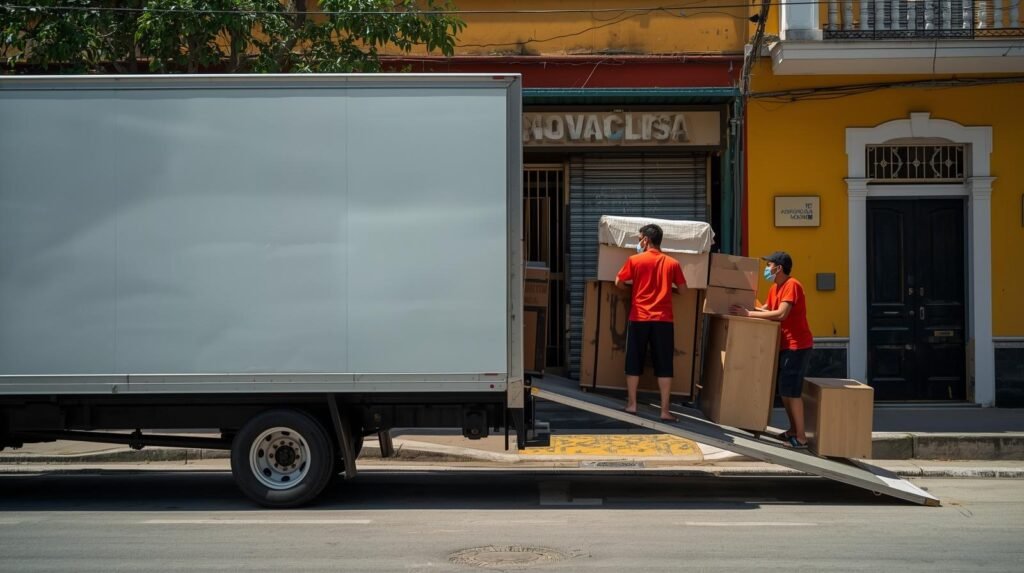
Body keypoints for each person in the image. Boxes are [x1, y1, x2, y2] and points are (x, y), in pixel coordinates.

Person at [729, 251, 814, 449]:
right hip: (784, 345)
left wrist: (749, 314)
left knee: (793, 392)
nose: (767, 268)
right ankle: (793, 430)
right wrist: (746, 308)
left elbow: (782, 314)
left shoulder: (792, 285)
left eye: (769, 265)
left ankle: (801, 437)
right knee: (784, 391)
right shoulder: (776, 287)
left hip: (797, 346)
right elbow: (768, 308)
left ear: (779, 268)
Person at [614, 224, 687, 422]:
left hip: (639, 317)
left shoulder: (635, 260)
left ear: (645, 240)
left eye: (639, 238)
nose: (638, 242)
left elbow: (618, 282)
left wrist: (633, 290)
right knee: (664, 364)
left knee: (634, 361)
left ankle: (632, 405)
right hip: (663, 319)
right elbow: (683, 290)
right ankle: (664, 411)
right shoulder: (672, 263)